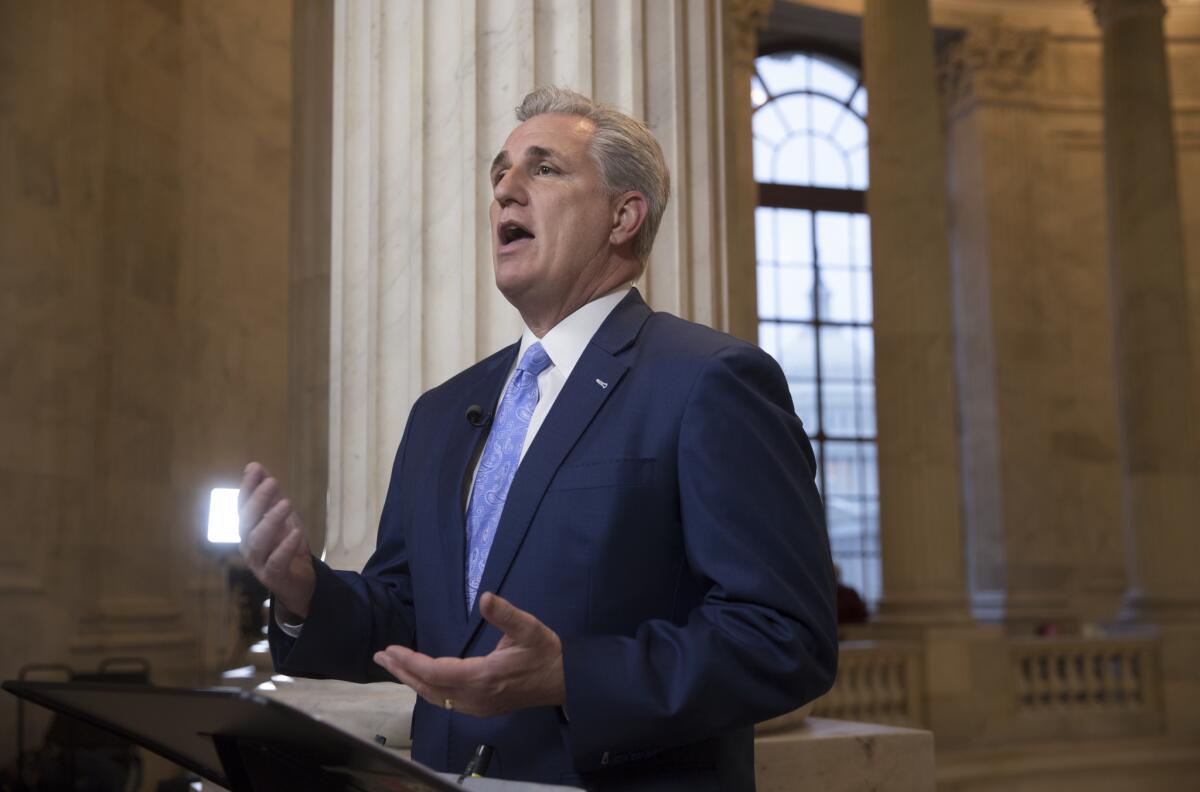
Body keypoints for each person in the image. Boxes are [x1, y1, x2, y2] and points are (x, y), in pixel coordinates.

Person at [238, 86, 837, 791]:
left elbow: (783, 638)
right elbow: (408, 611)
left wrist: (571, 677)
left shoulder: (709, 381)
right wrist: (306, 593)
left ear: (624, 215)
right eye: (499, 175)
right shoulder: (441, 411)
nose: (506, 192)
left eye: (543, 169)